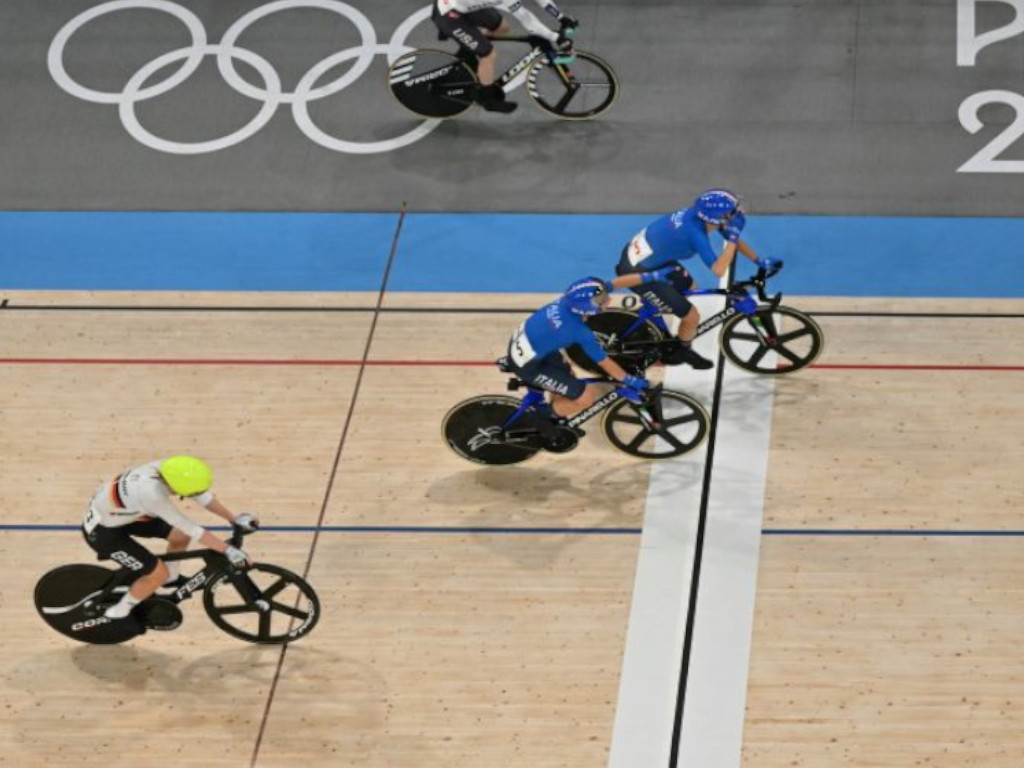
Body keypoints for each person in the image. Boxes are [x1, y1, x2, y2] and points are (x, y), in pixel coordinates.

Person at [81, 456, 257, 621]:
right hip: (103, 532)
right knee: (157, 573)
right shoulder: (152, 494)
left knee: (180, 537)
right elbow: (191, 528)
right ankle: (120, 611)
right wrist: (228, 550)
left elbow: (200, 494)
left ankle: (171, 578)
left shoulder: (169, 468)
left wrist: (233, 518)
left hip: (124, 514)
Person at [617, 189, 775, 369]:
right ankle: (681, 352)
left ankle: (652, 309)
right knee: (692, 317)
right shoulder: (696, 233)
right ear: (718, 218)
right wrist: (733, 237)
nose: (738, 213)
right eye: (733, 211)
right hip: (636, 272)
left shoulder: (702, 217)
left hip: (647, 260)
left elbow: (732, 237)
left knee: (690, 287)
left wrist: (758, 260)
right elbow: (719, 269)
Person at [504, 268, 681, 427]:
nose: (608, 301)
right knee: (586, 396)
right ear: (585, 308)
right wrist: (630, 380)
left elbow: (615, 283)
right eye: (601, 301)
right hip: (528, 366)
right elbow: (605, 362)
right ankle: (543, 417)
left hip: (533, 348)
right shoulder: (576, 331)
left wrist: (651, 276)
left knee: (569, 376)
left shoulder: (572, 301)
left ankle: (558, 410)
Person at [433, 0, 577, 113]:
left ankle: (471, 46)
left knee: (503, 27)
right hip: (448, 14)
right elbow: (527, 19)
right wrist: (556, 37)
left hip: (463, 6)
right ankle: (487, 99)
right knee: (488, 54)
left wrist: (561, 17)